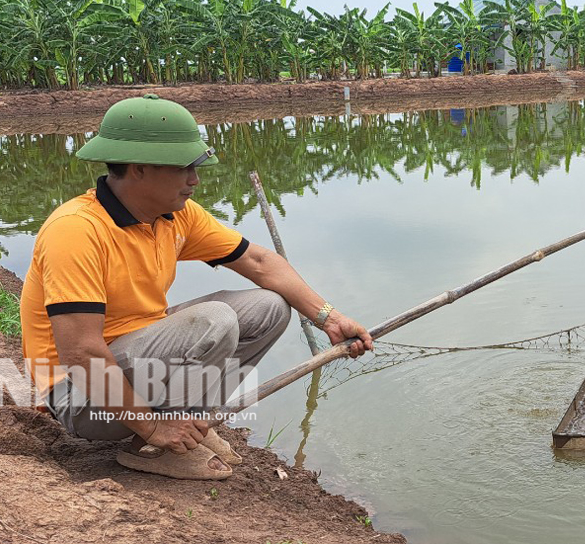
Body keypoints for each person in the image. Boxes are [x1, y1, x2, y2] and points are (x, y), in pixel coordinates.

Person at [19, 94, 373, 480]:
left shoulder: (174, 215)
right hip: (81, 397)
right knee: (213, 320)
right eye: (184, 168)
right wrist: (153, 426)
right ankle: (157, 441)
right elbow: (80, 351)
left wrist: (329, 318)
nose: (195, 180)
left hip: (136, 358)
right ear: (139, 169)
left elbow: (259, 262)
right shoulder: (76, 230)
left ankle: (189, 428)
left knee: (270, 306)